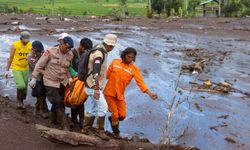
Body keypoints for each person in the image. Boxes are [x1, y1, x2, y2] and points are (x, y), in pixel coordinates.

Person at [104, 47, 158, 138]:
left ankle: (112, 120)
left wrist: (150, 93)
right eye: (128, 57)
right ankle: (116, 133)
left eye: (132, 58)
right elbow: (106, 75)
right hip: (109, 93)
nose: (130, 59)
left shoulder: (133, 69)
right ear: (124, 55)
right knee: (115, 114)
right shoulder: (115, 62)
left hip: (120, 95)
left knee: (122, 115)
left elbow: (140, 82)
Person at [29, 36, 74, 130]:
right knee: (58, 101)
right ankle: (65, 125)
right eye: (66, 47)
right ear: (61, 44)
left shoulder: (70, 54)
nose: (68, 50)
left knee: (57, 102)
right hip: (50, 81)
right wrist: (33, 78)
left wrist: (69, 78)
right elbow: (39, 64)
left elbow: (67, 68)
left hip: (62, 81)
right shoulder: (50, 51)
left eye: (70, 48)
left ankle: (52, 120)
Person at [81, 34, 117, 140]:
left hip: (90, 85)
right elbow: (95, 72)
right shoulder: (99, 54)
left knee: (94, 107)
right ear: (110, 45)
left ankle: (85, 129)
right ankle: (100, 131)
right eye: (112, 46)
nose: (112, 48)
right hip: (93, 86)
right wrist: (96, 89)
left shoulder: (98, 48)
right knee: (103, 107)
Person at [69, 38, 93, 126]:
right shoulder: (72, 53)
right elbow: (69, 66)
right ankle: (76, 120)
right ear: (81, 46)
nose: (86, 51)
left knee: (81, 100)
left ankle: (78, 120)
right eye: (85, 49)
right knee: (75, 99)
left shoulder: (86, 54)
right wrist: (75, 74)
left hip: (82, 80)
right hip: (74, 79)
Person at [5, 31, 32, 109]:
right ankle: (19, 101)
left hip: (26, 68)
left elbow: (33, 56)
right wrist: (7, 71)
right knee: (21, 85)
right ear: (21, 38)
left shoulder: (30, 45)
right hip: (16, 67)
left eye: (27, 40)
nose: (26, 42)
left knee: (25, 87)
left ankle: (21, 101)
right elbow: (10, 58)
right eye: (24, 40)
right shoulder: (15, 45)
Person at [28, 40, 49, 119]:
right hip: (35, 77)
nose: (39, 53)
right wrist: (49, 73)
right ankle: (45, 111)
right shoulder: (30, 57)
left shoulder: (44, 53)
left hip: (44, 76)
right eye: (37, 51)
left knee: (43, 93)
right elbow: (37, 69)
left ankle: (37, 107)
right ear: (33, 49)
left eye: (40, 51)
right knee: (39, 93)